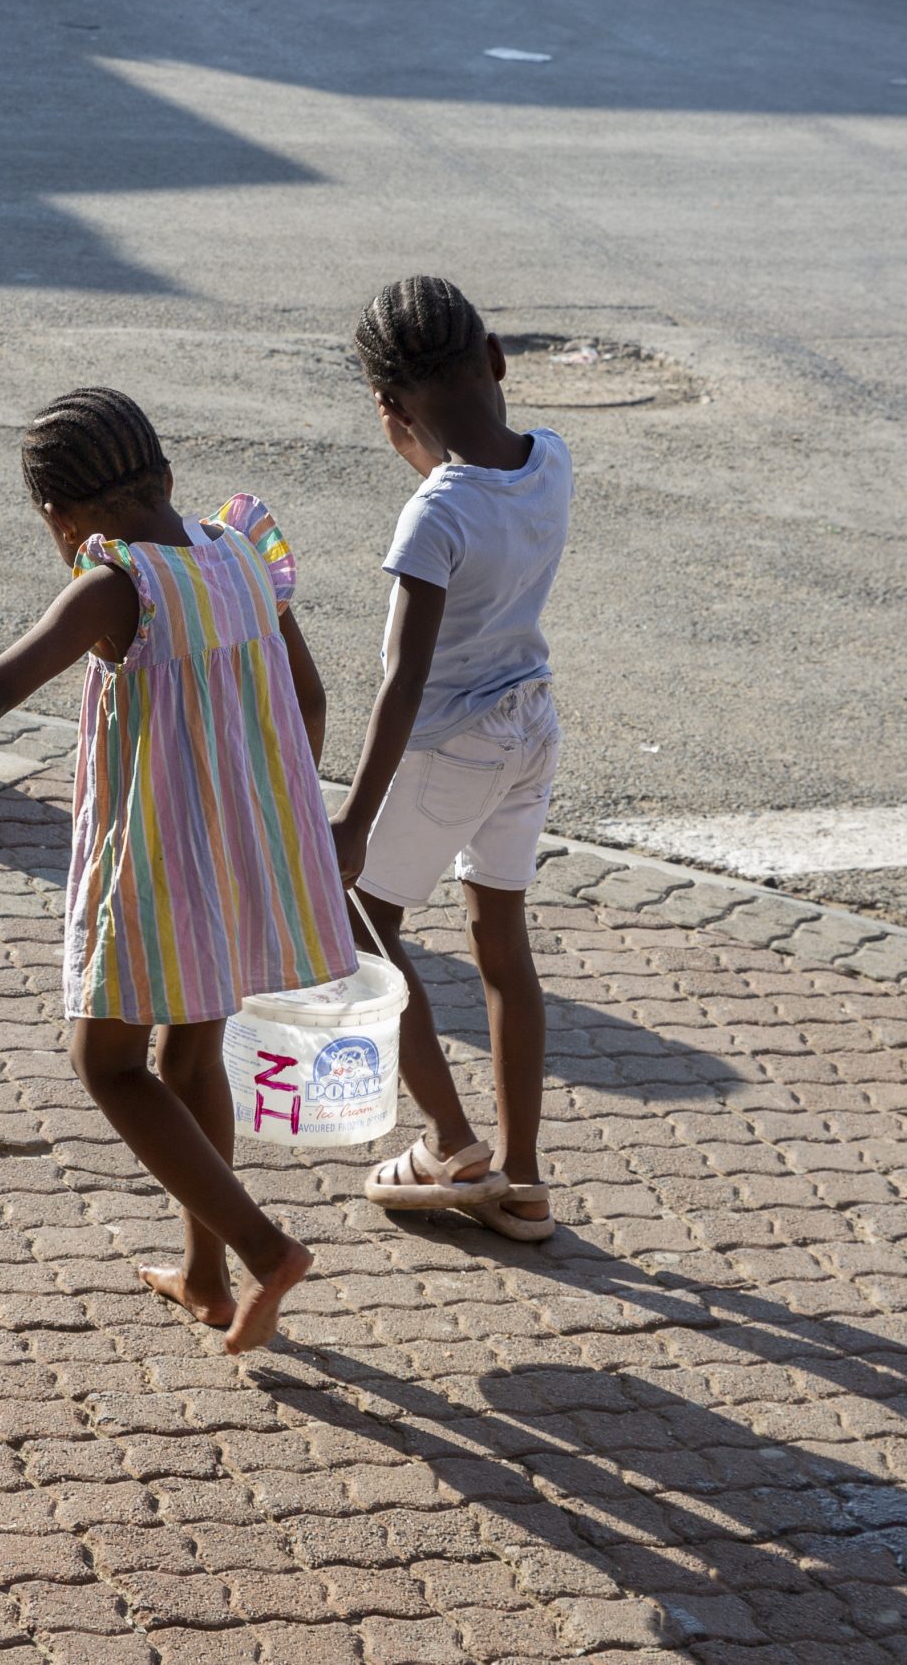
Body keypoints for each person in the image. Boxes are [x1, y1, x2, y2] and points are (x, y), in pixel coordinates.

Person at [0, 387, 353, 1352]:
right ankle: (207, 1276)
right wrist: (274, 817)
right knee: (187, 1055)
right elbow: (309, 698)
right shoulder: (246, 551)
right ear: (167, 477)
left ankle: (266, 1251)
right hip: (238, 849)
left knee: (105, 1062)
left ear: (63, 517)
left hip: (156, 863)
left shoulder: (117, 585)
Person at [331, 277, 570, 1242]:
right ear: (498, 357)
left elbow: (403, 681)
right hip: (531, 724)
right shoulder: (552, 460)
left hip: (450, 744)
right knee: (502, 946)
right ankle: (522, 1179)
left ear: (390, 411)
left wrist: (352, 817)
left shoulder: (431, 516)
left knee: (359, 917)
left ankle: (449, 1143)